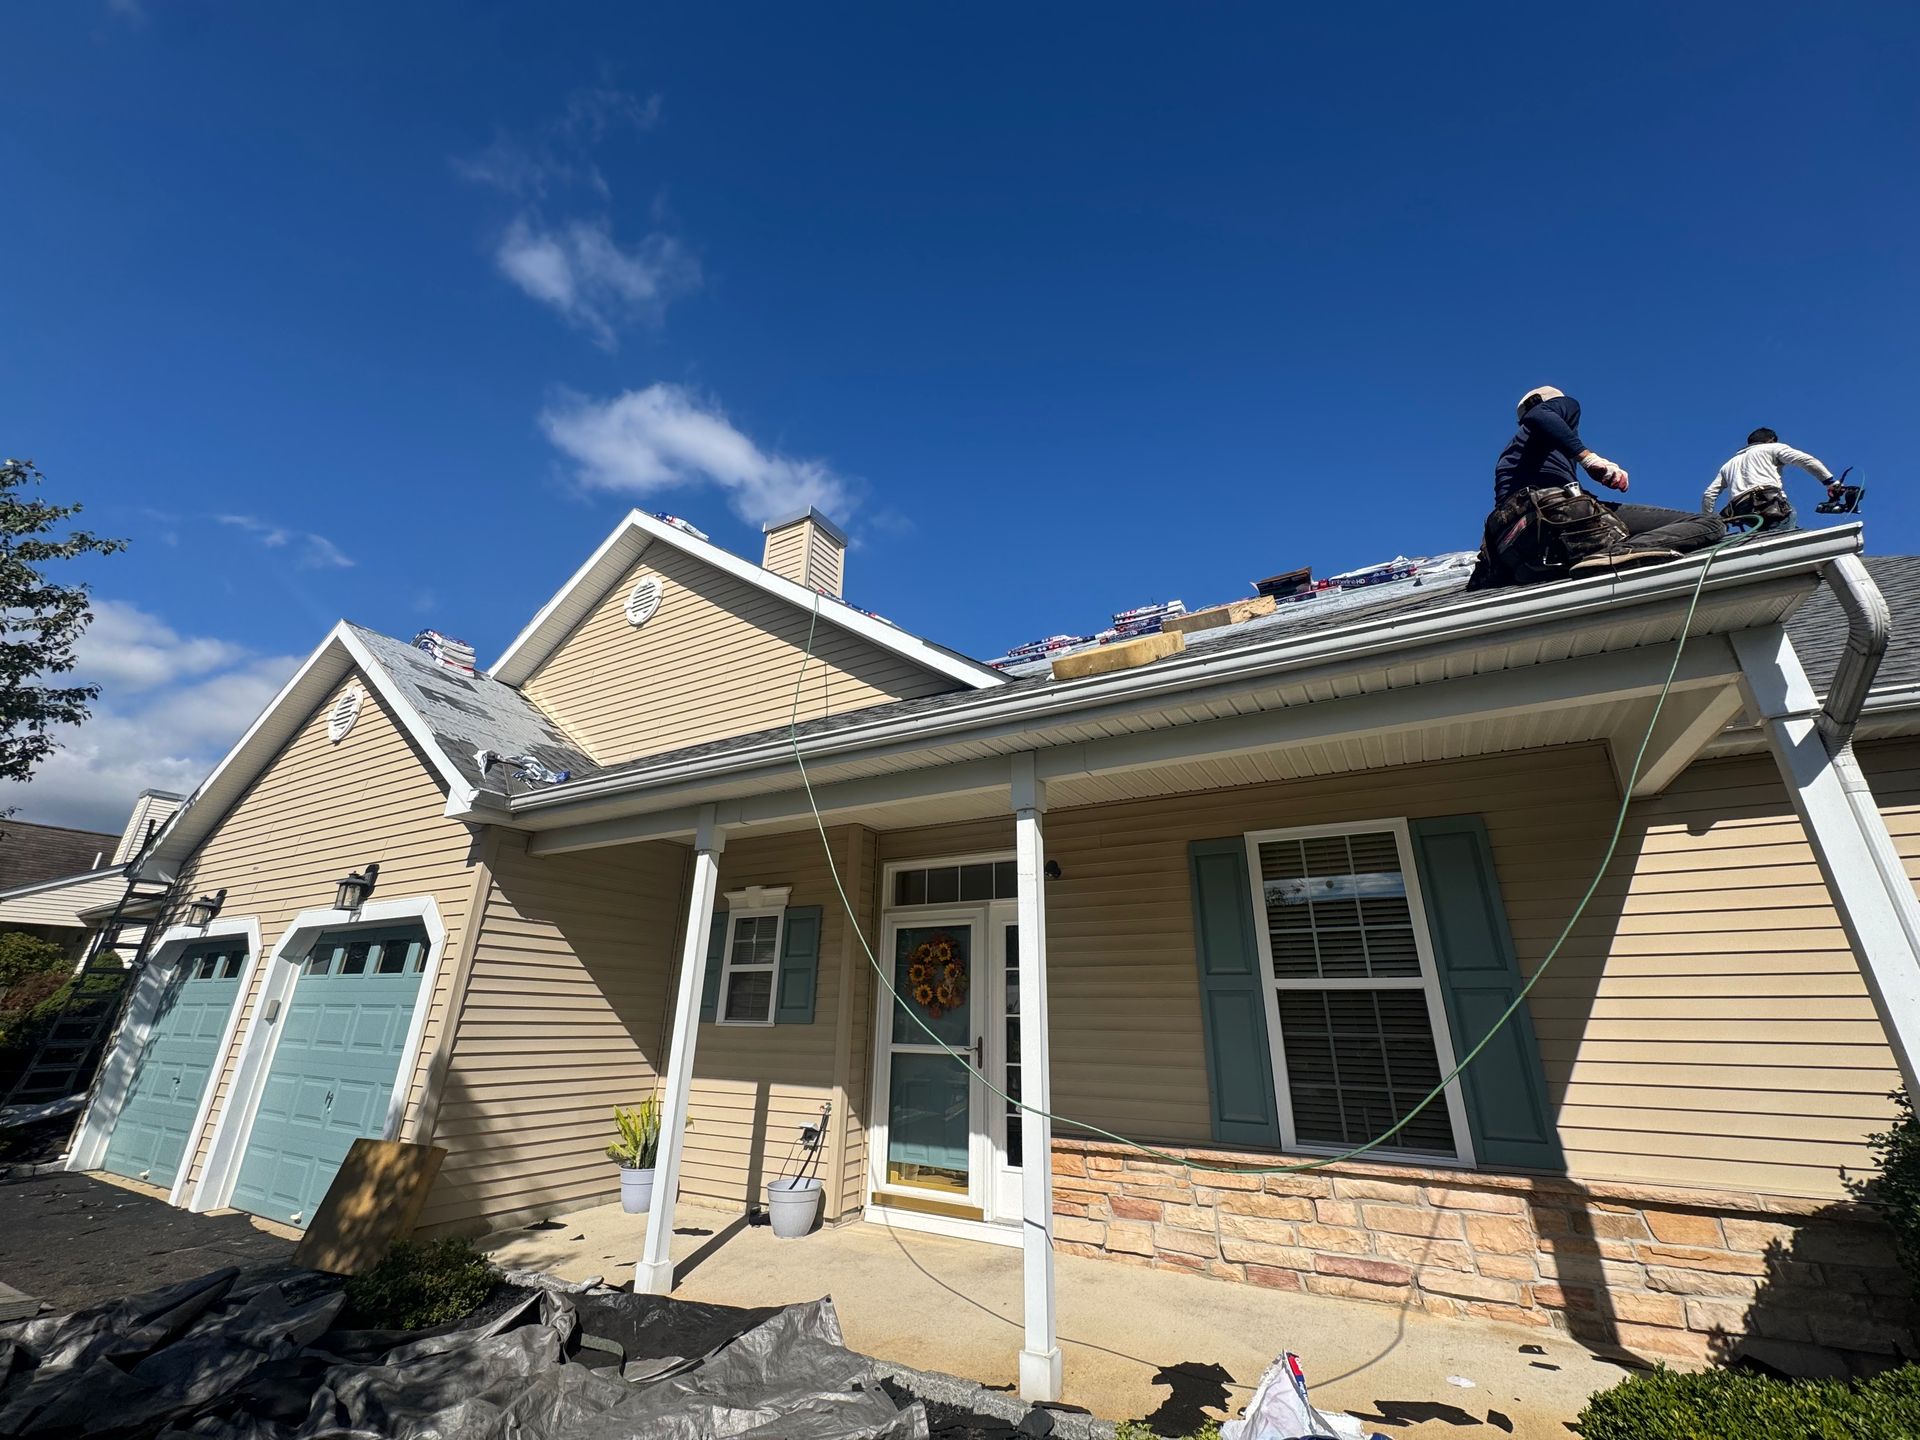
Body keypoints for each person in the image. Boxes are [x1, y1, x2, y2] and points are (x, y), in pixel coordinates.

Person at [1468, 386, 1725, 590]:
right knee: (1709, 523)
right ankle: (1618, 552)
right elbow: (1539, 415)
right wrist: (1590, 458)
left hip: (1525, 551)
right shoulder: (1557, 407)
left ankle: (1606, 555)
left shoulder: (1510, 456)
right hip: (1554, 515)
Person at [1702, 428, 1836, 533]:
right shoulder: (1772, 448)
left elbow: (1709, 494)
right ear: (1771, 440)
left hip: (1741, 511)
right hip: (1769, 502)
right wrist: (1830, 482)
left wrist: (1710, 520)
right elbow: (1806, 460)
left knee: (1770, 534)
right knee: (1785, 531)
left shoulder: (1729, 464)